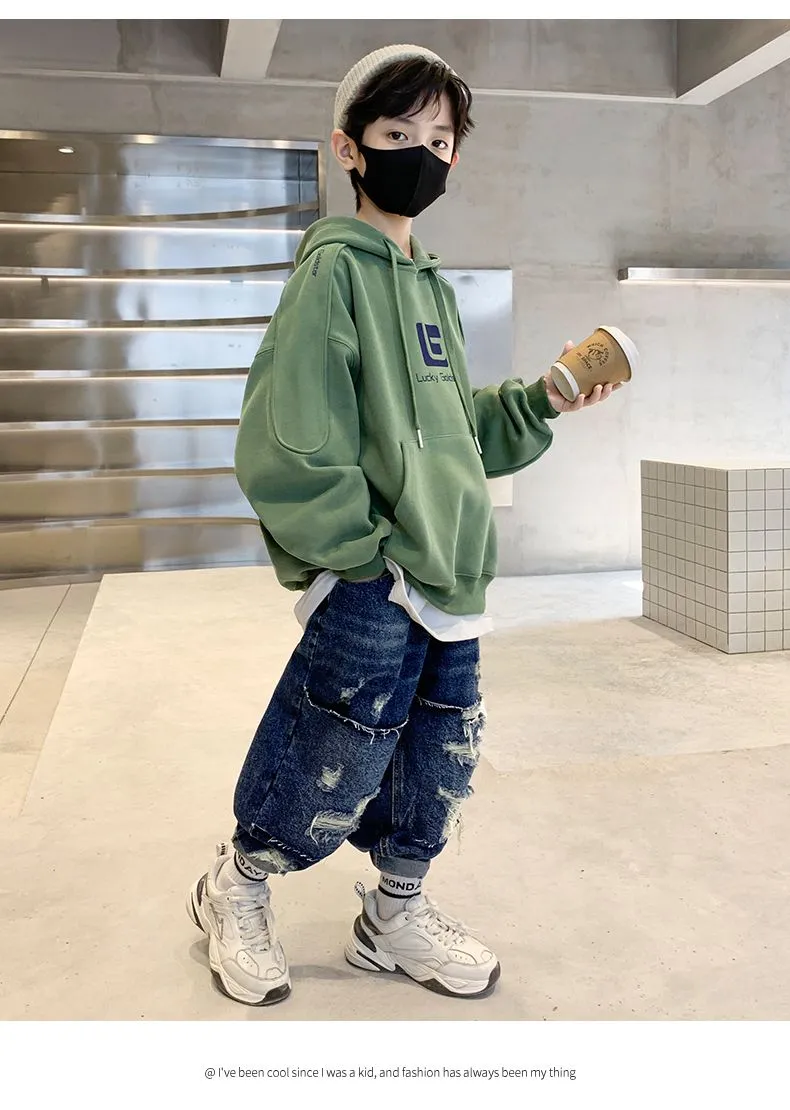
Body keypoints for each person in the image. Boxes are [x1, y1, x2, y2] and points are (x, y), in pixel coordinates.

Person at [186, 43, 618, 1007]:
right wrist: (360, 558)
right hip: (380, 576)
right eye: (397, 134)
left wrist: (542, 401)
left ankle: (395, 914)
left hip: (452, 571)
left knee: (436, 757)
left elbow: (453, 432)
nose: (423, 153)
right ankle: (237, 886)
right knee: (328, 747)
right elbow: (288, 439)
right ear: (350, 148)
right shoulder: (334, 274)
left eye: (440, 138)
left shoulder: (431, 288)